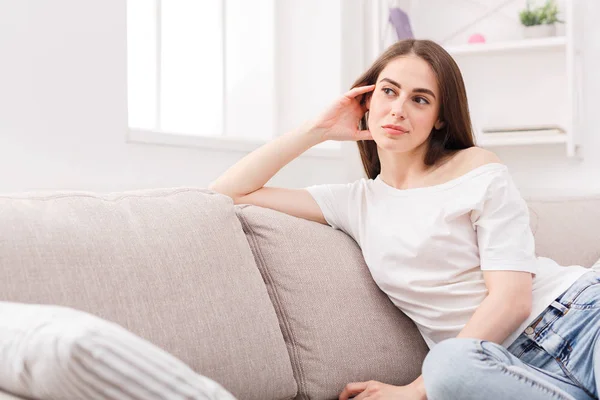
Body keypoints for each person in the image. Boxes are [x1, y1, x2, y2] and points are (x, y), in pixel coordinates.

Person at [208, 39, 597, 400]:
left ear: (440, 119)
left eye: (420, 100)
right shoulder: (354, 202)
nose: (398, 109)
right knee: (447, 365)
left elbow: (511, 301)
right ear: (367, 100)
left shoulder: (476, 167)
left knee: (441, 370)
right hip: (498, 367)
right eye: (388, 92)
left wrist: (414, 391)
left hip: (579, 317)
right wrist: (318, 130)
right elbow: (229, 191)